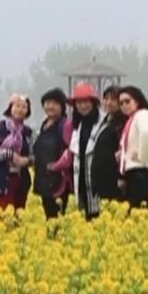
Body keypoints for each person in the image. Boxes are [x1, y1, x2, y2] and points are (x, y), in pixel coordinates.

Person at [47, 83, 106, 220]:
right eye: (78, 102)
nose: (82, 106)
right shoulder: (76, 125)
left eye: (86, 102)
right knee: (85, 215)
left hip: (98, 180)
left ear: (93, 103)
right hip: (81, 180)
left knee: (98, 215)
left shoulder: (103, 123)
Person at [0, 94, 34, 213]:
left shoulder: (28, 133)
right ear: (10, 107)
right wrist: (8, 154)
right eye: (17, 106)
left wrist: (26, 161)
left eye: (24, 107)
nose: (20, 110)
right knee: (3, 216)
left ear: (28, 111)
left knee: (19, 216)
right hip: (1, 179)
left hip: (21, 181)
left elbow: (35, 155)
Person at [33, 88, 72, 220]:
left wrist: (56, 166)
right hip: (44, 179)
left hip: (59, 181)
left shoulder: (65, 125)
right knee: (49, 215)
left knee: (57, 216)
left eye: (55, 103)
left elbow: (69, 151)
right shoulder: (44, 125)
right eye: (47, 103)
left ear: (62, 106)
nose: (50, 106)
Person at [118, 86, 148, 211]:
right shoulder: (132, 119)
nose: (124, 105)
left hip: (141, 171)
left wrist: (143, 157)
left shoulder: (143, 114)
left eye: (127, 101)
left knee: (140, 211)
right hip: (135, 172)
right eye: (121, 103)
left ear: (137, 101)